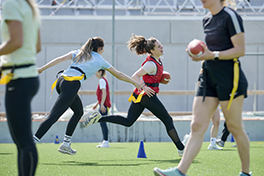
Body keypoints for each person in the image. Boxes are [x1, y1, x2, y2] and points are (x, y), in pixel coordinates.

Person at [153, 0, 251, 175]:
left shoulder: (230, 16)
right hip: (208, 77)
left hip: (230, 78)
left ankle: (245, 172)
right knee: (197, 125)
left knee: (235, 127)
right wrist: (199, 56)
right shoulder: (206, 19)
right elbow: (211, 53)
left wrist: (211, 55)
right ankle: (180, 171)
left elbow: (240, 50)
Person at [33, 37, 143, 155]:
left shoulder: (80, 52)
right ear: (100, 49)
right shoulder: (100, 60)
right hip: (71, 85)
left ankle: (66, 144)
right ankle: (31, 143)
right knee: (53, 116)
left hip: (61, 81)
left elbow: (60, 59)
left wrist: (42, 69)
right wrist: (135, 83)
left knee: (78, 112)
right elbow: (119, 75)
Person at [83, 34, 188, 157]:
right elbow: (135, 76)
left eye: (161, 45)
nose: (162, 47)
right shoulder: (151, 64)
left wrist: (158, 80)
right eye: (159, 46)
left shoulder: (157, 61)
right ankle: (181, 149)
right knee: (168, 120)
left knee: (128, 121)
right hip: (146, 96)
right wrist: (144, 87)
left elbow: (149, 78)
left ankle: (99, 118)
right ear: (152, 50)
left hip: (141, 95)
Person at [0, 0, 41, 175]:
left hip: (19, 78)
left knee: (23, 141)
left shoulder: (11, 3)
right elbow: (37, 47)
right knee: (22, 142)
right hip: (28, 76)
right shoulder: (30, 6)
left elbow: (16, 41)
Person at [93, 69, 111, 148]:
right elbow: (102, 94)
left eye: (96, 71)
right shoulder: (102, 80)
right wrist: (97, 104)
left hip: (104, 105)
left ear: (100, 72)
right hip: (102, 104)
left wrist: (102, 104)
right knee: (102, 122)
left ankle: (106, 141)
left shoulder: (102, 81)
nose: (95, 73)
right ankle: (105, 140)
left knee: (103, 122)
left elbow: (104, 93)